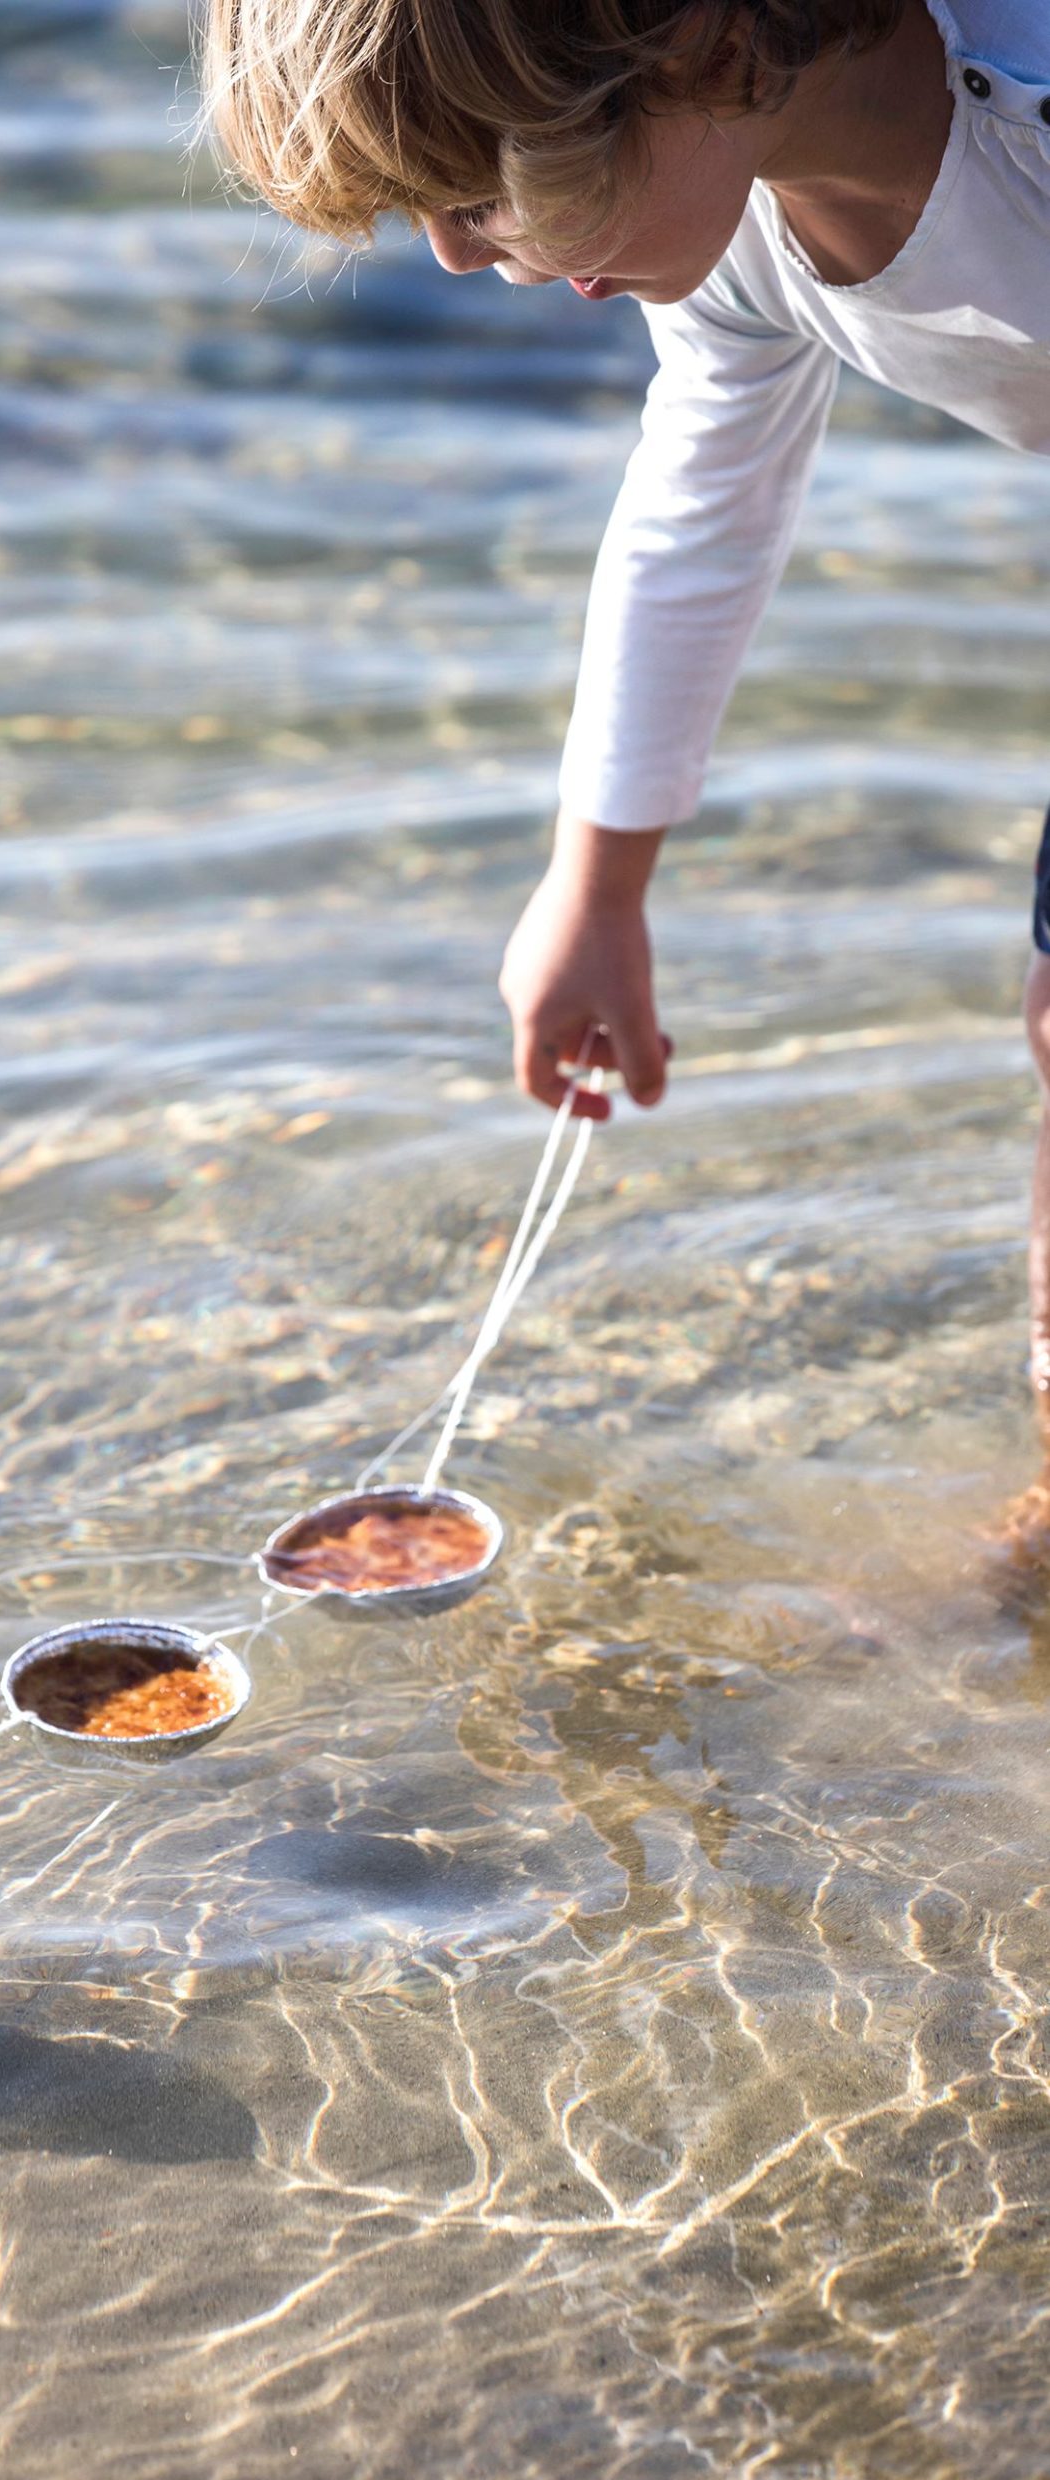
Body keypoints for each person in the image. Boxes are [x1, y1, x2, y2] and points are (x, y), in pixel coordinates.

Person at [203, 0, 1050, 1469]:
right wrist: (595, 886)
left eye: (481, 191)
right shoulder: (730, 229)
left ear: (702, 47)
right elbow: (703, 509)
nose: (460, 255)